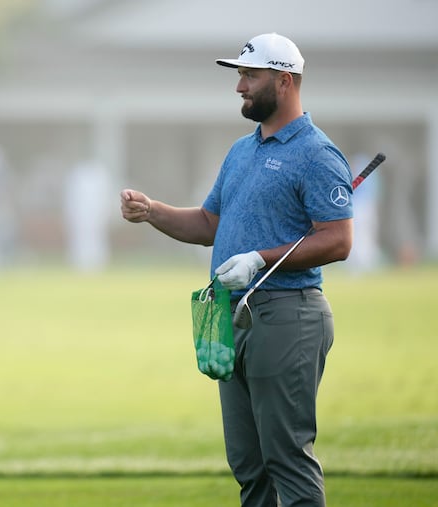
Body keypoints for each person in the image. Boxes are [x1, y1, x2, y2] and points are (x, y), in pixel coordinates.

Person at [121, 33, 353, 506]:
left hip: (288, 316)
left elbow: (338, 238)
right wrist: (153, 211)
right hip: (234, 318)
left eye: (249, 76)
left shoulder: (317, 153)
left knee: (286, 457)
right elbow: (210, 224)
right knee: (248, 465)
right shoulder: (241, 151)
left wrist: (258, 259)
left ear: (284, 81)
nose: (239, 87)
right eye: (240, 76)